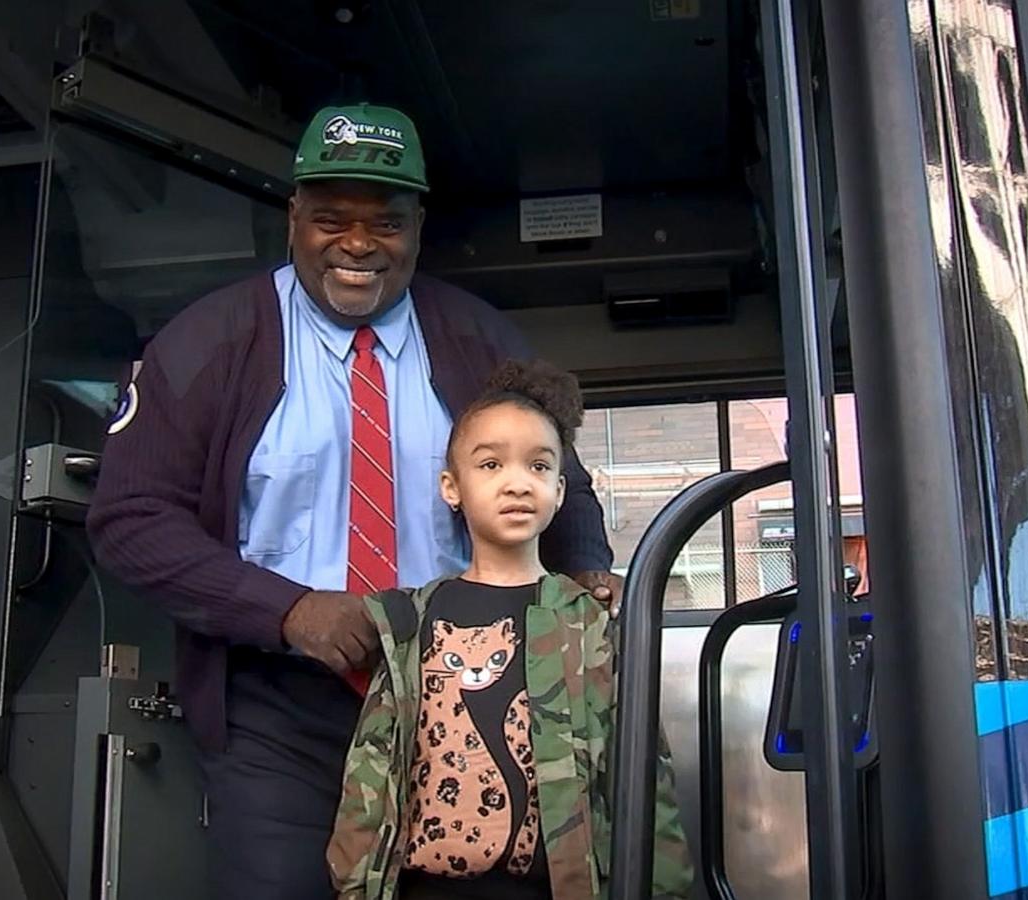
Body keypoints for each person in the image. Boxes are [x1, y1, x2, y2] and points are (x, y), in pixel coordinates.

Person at [87, 103, 621, 900]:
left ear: (418, 225)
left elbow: (560, 480)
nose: (360, 245)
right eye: (332, 219)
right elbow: (130, 520)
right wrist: (290, 610)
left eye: (387, 223)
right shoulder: (208, 342)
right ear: (294, 216)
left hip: (464, 690)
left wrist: (583, 569)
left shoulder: (480, 340)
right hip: (277, 707)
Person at [326, 360, 692, 900]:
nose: (518, 482)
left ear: (561, 490)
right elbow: (372, 767)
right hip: (430, 887)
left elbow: (641, 772)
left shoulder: (587, 621)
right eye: (491, 464)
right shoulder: (411, 620)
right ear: (452, 487)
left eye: (539, 467)